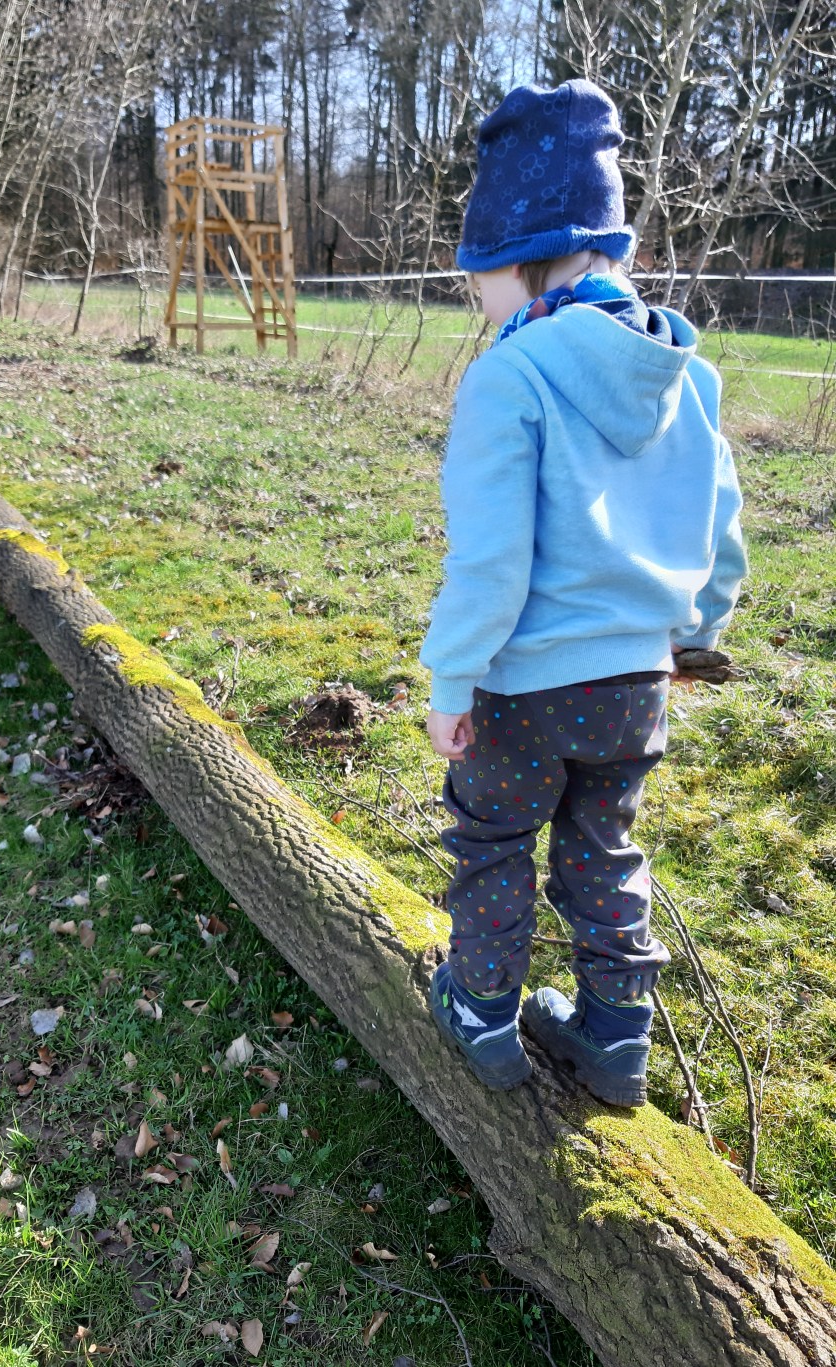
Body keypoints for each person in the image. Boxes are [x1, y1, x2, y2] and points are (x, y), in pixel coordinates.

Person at [421, 79, 747, 1108]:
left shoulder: (508, 378)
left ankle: (479, 1007)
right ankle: (614, 1037)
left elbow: (488, 561)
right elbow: (719, 535)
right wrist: (696, 633)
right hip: (635, 683)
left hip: (523, 691)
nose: (477, 304)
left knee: (494, 841)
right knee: (603, 848)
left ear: (518, 259)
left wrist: (451, 677)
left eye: (477, 281)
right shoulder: (684, 374)